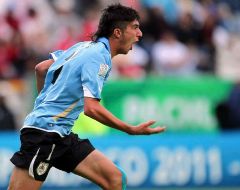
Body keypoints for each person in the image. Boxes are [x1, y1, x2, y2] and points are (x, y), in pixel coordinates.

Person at [8, 4, 165, 190]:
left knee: (114, 178)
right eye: (135, 27)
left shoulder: (82, 47)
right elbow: (91, 108)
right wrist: (129, 129)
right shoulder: (100, 56)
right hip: (45, 134)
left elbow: (41, 68)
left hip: (60, 133)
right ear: (117, 33)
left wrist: (43, 107)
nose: (139, 34)